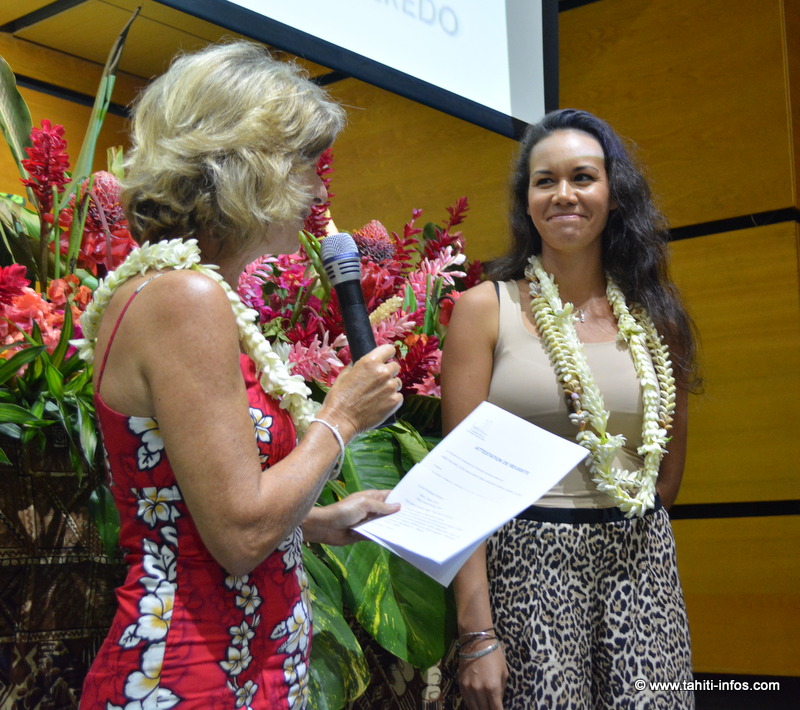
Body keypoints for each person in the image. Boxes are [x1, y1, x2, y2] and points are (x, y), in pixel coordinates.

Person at [77, 41, 403, 708]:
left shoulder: (182, 290)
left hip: (236, 670)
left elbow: (193, 501)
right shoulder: (184, 298)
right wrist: (341, 417)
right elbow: (238, 535)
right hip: (190, 679)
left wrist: (318, 519)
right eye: (304, 167)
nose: (315, 192)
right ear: (249, 167)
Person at [440, 108, 698, 710]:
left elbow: (669, 473)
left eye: (582, 177)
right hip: (526, 571)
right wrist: (477, 634)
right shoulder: (485, 308)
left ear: (613, 193)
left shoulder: (655, 316)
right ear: (526, 200)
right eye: (544, 180)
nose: (564, 195)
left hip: (642, 565)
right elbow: (460, 484)